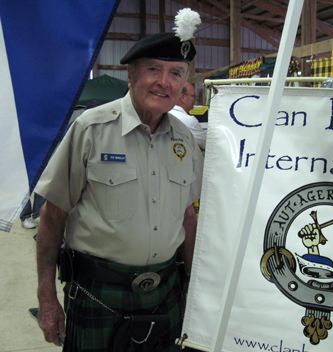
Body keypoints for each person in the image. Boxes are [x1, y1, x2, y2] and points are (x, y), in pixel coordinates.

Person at [34, 18, 203, 352]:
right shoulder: (90, 129)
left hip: (165, 291)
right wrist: (47, 299)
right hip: (97, 293)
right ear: (131, 74)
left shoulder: (184, 138)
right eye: (154, 69)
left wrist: (197, 292)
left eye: (176, 73)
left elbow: (187, 218)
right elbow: (52, 217)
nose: (164, 82)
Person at [170, 82, 207, 150]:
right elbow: (208, 145)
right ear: (182, 97)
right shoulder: (189, 121)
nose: (195, 99)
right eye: (194, 96)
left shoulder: (163, 113)